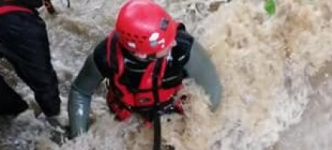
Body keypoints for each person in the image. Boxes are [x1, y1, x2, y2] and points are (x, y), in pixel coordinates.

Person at [68, 0, 222, 140]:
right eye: (165, 43)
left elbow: (212, 95)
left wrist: (195, 132)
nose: (174, 43)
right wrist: (79, 140)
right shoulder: (106, 58)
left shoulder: (183, 49)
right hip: (127, 115)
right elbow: (80, 92)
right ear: (141, 54)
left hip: (171, 113)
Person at [0, 0, 62, 128]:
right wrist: (55, 116)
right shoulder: (23, 27)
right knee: (19, 111)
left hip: (10, 15)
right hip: (13, 19)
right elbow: (44, 82)